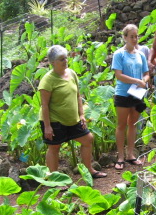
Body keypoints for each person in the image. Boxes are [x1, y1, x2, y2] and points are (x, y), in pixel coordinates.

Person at [39, 45, 106, 179]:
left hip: (72, 119)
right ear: (53, 63)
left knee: (87, 139)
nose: (66, 61)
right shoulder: (47, 80)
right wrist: (47, 126)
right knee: (54, 147)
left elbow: (78, 96)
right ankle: (54, 178)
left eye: (66, 58)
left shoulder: (72, 73)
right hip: (54, 120)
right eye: (61, 59)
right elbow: (44, 105)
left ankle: (89, 170)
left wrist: (81, 115)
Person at [111, 24, 150, 170]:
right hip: (123, 93)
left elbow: (146, 73)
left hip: (137, 94)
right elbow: (119, 75)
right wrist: (136, 81)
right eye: (131, 36)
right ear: (125, 37)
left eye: (136, 36)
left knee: (133, 124)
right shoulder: (119, 54)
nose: (134, 39)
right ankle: (120, 156)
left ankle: (130, 155)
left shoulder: (140, 54)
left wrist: (144, 81)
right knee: (121, 125)